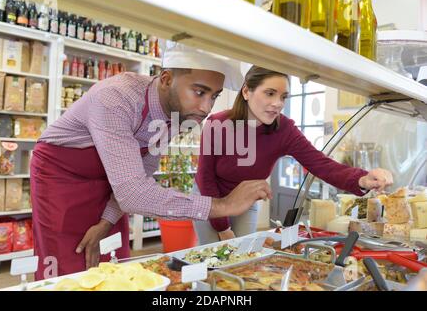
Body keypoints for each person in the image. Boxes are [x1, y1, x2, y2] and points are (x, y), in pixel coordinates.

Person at [30, 43, 272, 279]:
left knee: (112, 261)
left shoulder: (178, 114)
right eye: (199, 92)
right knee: (66, 264)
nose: (205, 107)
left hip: (114, 183)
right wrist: (222, 205)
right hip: (62, 178)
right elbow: (133, 194)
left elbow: (141, 175)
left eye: (214, 96)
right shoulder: (115, 98)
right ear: (166, 79)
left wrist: (107, 220)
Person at [193, 65, 393, 244]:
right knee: (212, 259)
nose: (278, 103)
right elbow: (205, 178)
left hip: (246, 203)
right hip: (211, 199)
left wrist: (362, 179)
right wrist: (223, 227)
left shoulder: (284, 129)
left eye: (283, 97)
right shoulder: (218, 124)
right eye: (270, 93)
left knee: (242, 257)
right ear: (246, 91)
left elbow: (321, 164)